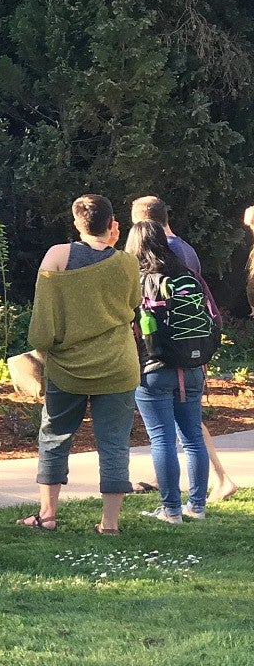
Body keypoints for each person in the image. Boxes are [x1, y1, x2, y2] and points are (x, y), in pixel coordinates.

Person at [18, 194, 140, 536]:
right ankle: (110, 524)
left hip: (68, 367)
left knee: (55, 436)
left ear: (76, 223)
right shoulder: (127, 262)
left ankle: (47, 515)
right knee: (114, 442)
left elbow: (43, 319)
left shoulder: (58, 255)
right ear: (113, 224)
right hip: (118, 365)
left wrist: (43, 348)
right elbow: (131, 304)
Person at [133, 196, 236, 503]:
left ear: (142, 222)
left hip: (161, 357)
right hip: (193, 354)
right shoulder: (185, 251)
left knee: (167, 435)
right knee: (189, 431)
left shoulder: (152, 261)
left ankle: (185, 496)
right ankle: (195, 500)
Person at [125, 220, 210, 524]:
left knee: (162, 440)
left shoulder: (136, 281)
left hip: (154, 368)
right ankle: (197, 507)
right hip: (192, 366)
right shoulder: (187, 275)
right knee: (193, 439)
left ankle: (171, 509)